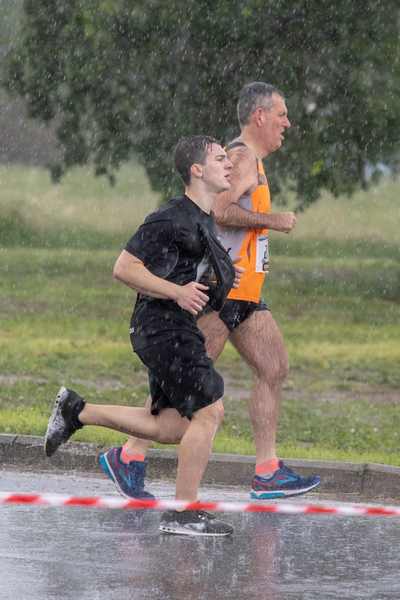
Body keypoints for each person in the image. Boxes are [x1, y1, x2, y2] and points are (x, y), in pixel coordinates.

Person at [99, 82, 320, 500]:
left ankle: (267, 469)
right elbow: (221, 211)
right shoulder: (241, 157)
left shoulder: (251, 159)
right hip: (223, 292)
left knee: (273, 367)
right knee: (184, 378)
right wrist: (273, 221)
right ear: (259, 116)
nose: (287, 123)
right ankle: (129, 455)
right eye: (281, 114)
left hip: (246, 292)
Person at [44, 135, 243, 537]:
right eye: (221, 158)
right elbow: (123, 267)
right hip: (159, 325)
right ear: (197, 170)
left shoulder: (204, 219)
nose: (230, 165)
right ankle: (184, 515)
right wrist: (178, 291)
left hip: (174, 326)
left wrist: (213, 277)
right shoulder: (169, 217)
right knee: (210, 410)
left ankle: (76, 411)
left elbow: (184, 272)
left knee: (173, 427)